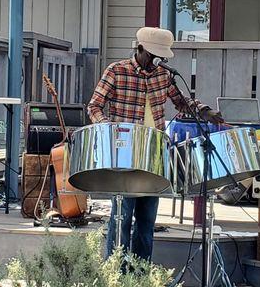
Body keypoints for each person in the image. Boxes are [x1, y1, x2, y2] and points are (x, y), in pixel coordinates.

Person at [87, 26, 224, 261]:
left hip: (155, 153)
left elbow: (182, 102)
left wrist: (206, 111)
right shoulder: (117, 71)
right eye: (150, 55)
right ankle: (114, 273)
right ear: (139, 48)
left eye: (158, 56)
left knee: (147, 221)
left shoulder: (163, 75)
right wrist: (109, 127)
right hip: (125, 154)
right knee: (121, 216)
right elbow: (94, 106)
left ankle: (141, 274)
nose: (154, 61)